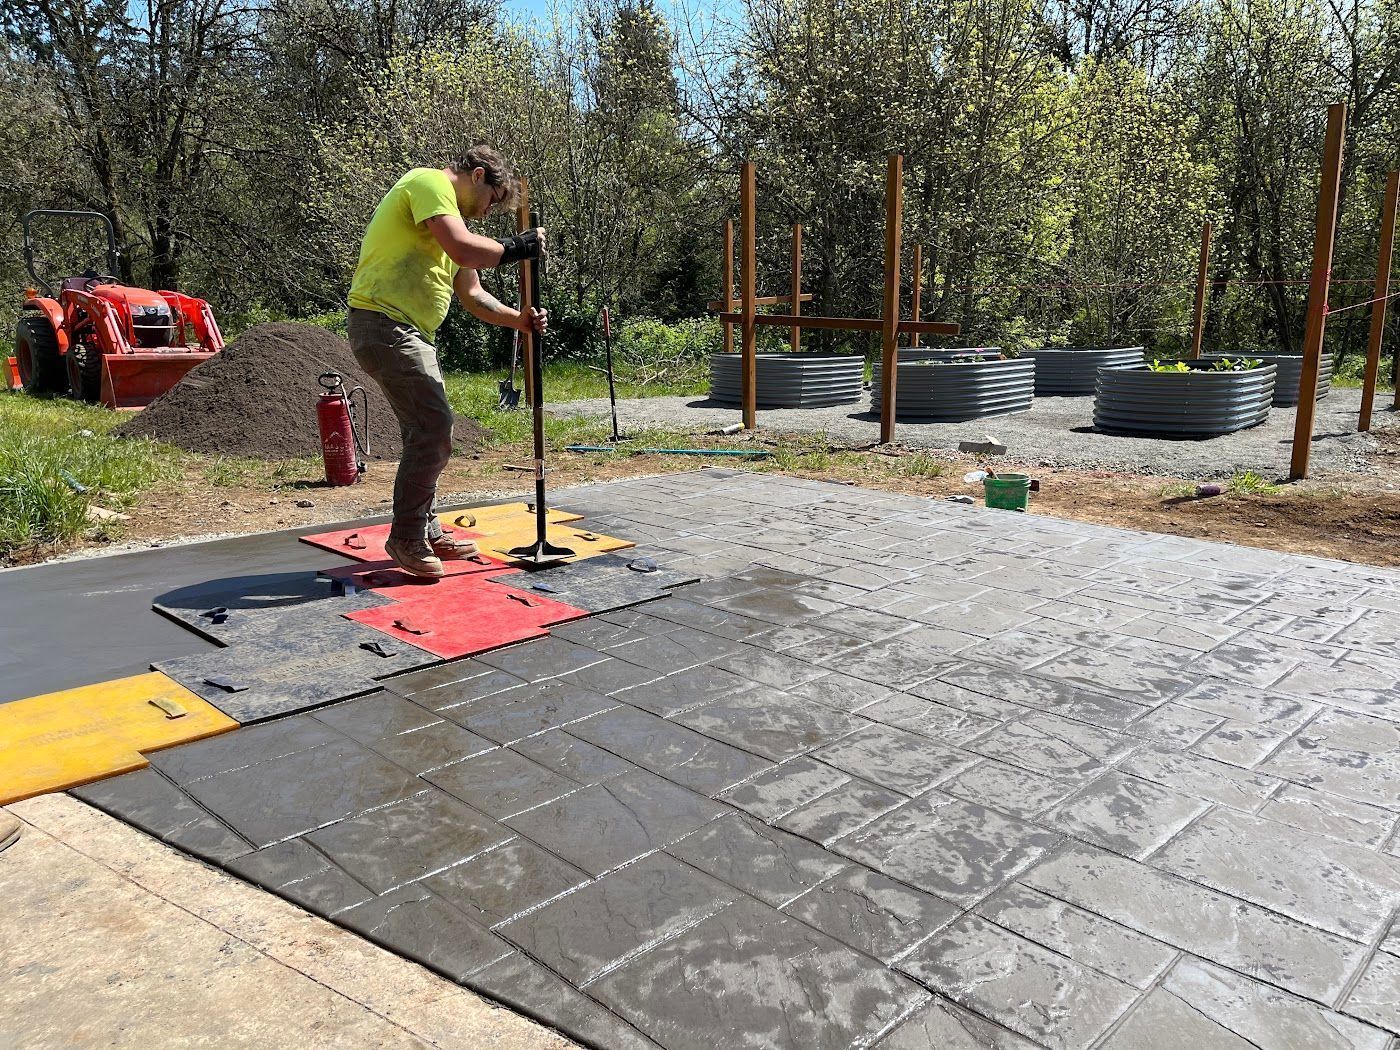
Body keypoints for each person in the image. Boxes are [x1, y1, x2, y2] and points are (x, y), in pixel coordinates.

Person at [346, 145, 547, 578]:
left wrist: (519, 320)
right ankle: (406, 538)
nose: (488, 213)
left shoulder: (446, 222)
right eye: (492, 201)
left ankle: (425, 527)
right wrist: (515, 248)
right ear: (477, 176)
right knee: (434, 427)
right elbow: (464, 248)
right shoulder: (428, 183)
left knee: (425, 433)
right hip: (384, 324)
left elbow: (472, 294)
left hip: (408, 332)